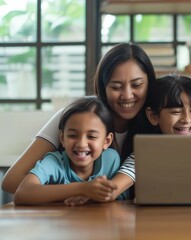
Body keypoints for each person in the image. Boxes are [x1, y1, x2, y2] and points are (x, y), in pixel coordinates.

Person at [2, 43, 156, 204]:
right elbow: (12, 182)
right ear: (103, 88)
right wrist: (82, 189)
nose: (127, 95)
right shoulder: (76, 117)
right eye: (116, 87)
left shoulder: (156, 121)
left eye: (137, 85)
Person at [14, 97, 126, 205]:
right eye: (72, 135)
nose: (81, 144)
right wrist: (83, 188)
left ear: (107, 141)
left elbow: (120, 197)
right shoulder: (54, 162)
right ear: (62, 138)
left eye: (91, 136)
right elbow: (22, 193)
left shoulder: (110, 160)